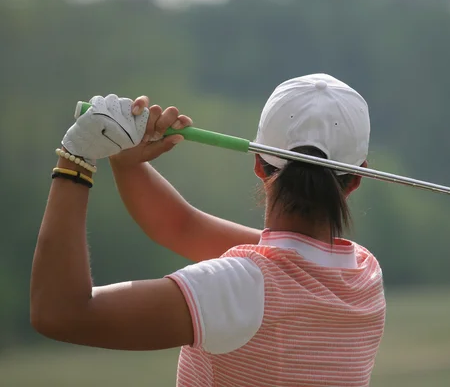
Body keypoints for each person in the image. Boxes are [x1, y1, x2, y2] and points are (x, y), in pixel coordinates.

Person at [31, 73, 386, 386]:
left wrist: (76, 157)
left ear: (259, 165)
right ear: (356, 178)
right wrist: (126, 161)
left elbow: (61, 313)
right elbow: (181, 227)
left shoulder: (241, 287)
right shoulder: (364, 274)